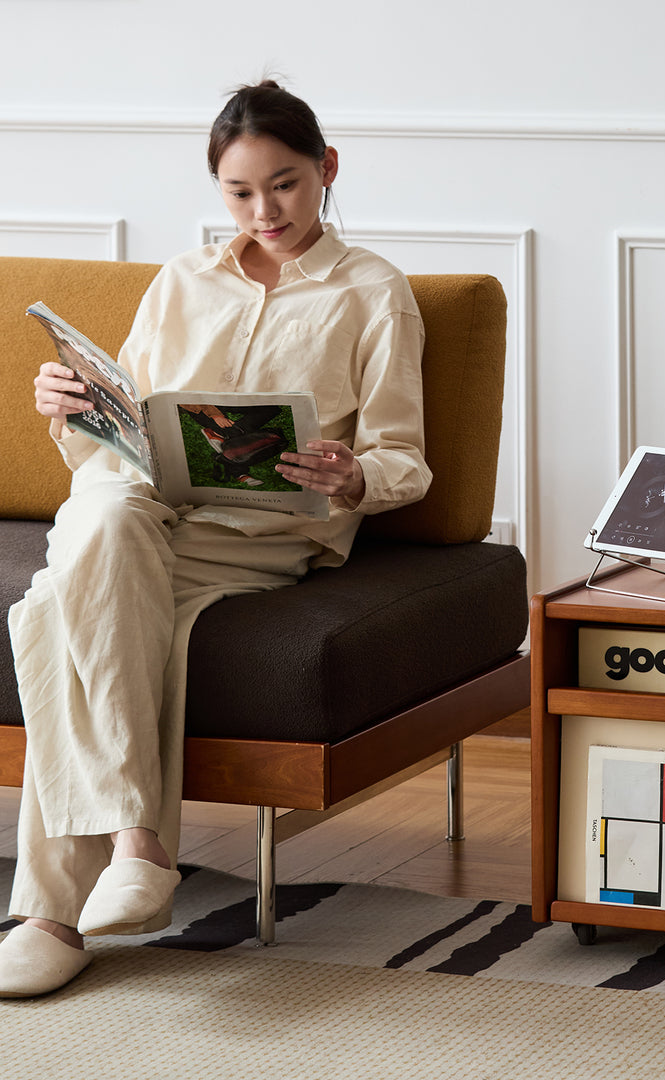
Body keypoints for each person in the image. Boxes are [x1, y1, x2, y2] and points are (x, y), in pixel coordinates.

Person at [0, 80, 431, 997]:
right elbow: (127, 426)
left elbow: (405, 456)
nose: (264, 210)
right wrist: (74, 411)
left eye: (285, 184)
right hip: (140, 504)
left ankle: (49, 912)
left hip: (257, 532)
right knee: (105, 521)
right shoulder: (182, 279)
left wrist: (352, 474)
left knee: (57, 608)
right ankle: (135, 842)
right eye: (240, 192)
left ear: (327, 170)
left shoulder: (374, 293)